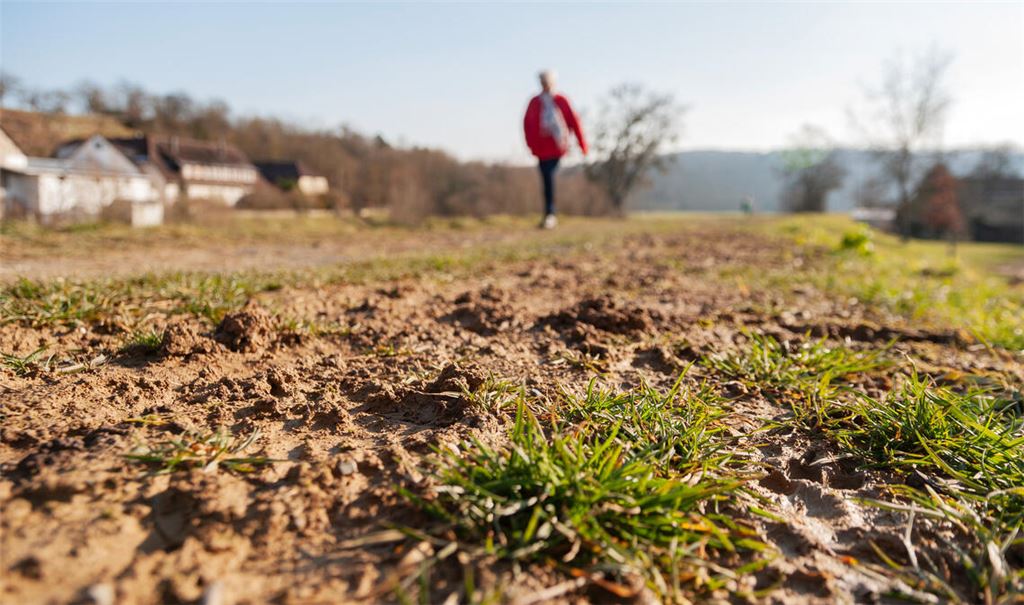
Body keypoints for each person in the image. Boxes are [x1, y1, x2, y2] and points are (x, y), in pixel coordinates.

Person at [523, 70, 587, 229]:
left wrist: (582, 144)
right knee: (545, 178)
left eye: (547, 82)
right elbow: (527, 124)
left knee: (549, 176)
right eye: (542, 82)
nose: (545, 85)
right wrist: (530, 145)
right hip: (540, 148)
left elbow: (574, 121)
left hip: (557, 147)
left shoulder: (561, 100)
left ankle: (550, 213)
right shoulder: (535, 102)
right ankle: (549, 213)